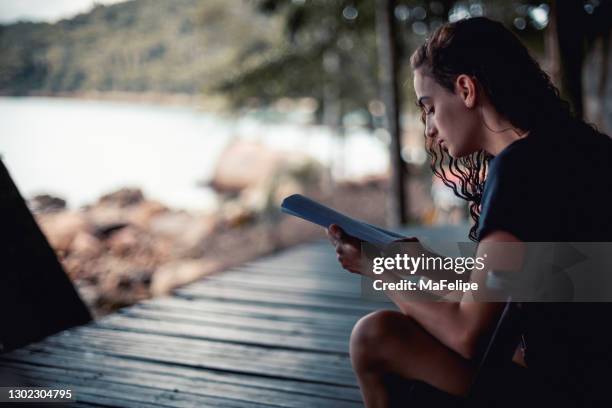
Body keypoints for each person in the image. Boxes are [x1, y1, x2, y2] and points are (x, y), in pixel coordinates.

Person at [327, 17, 612, 407]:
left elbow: (468, 333)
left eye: (428, 107)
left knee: (376, 336)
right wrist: (418, 263)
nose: (428, 128)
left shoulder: (519, 171)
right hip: (591, 371)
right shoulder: (577, 147)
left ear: (465, 89)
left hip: (566, 389)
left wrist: (378, 269)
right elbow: (517, 283)